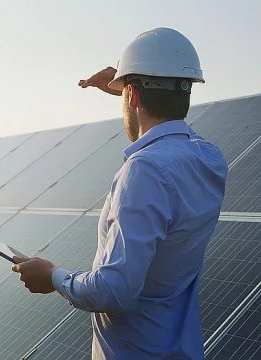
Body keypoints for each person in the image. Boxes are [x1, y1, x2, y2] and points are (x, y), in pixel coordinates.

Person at [12, 27, 228, 359]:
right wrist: (130, 85)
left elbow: (113, 290)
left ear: (131, 97)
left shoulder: (145, 171)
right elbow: (176, 124)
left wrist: (53, 277)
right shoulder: (209, 159)